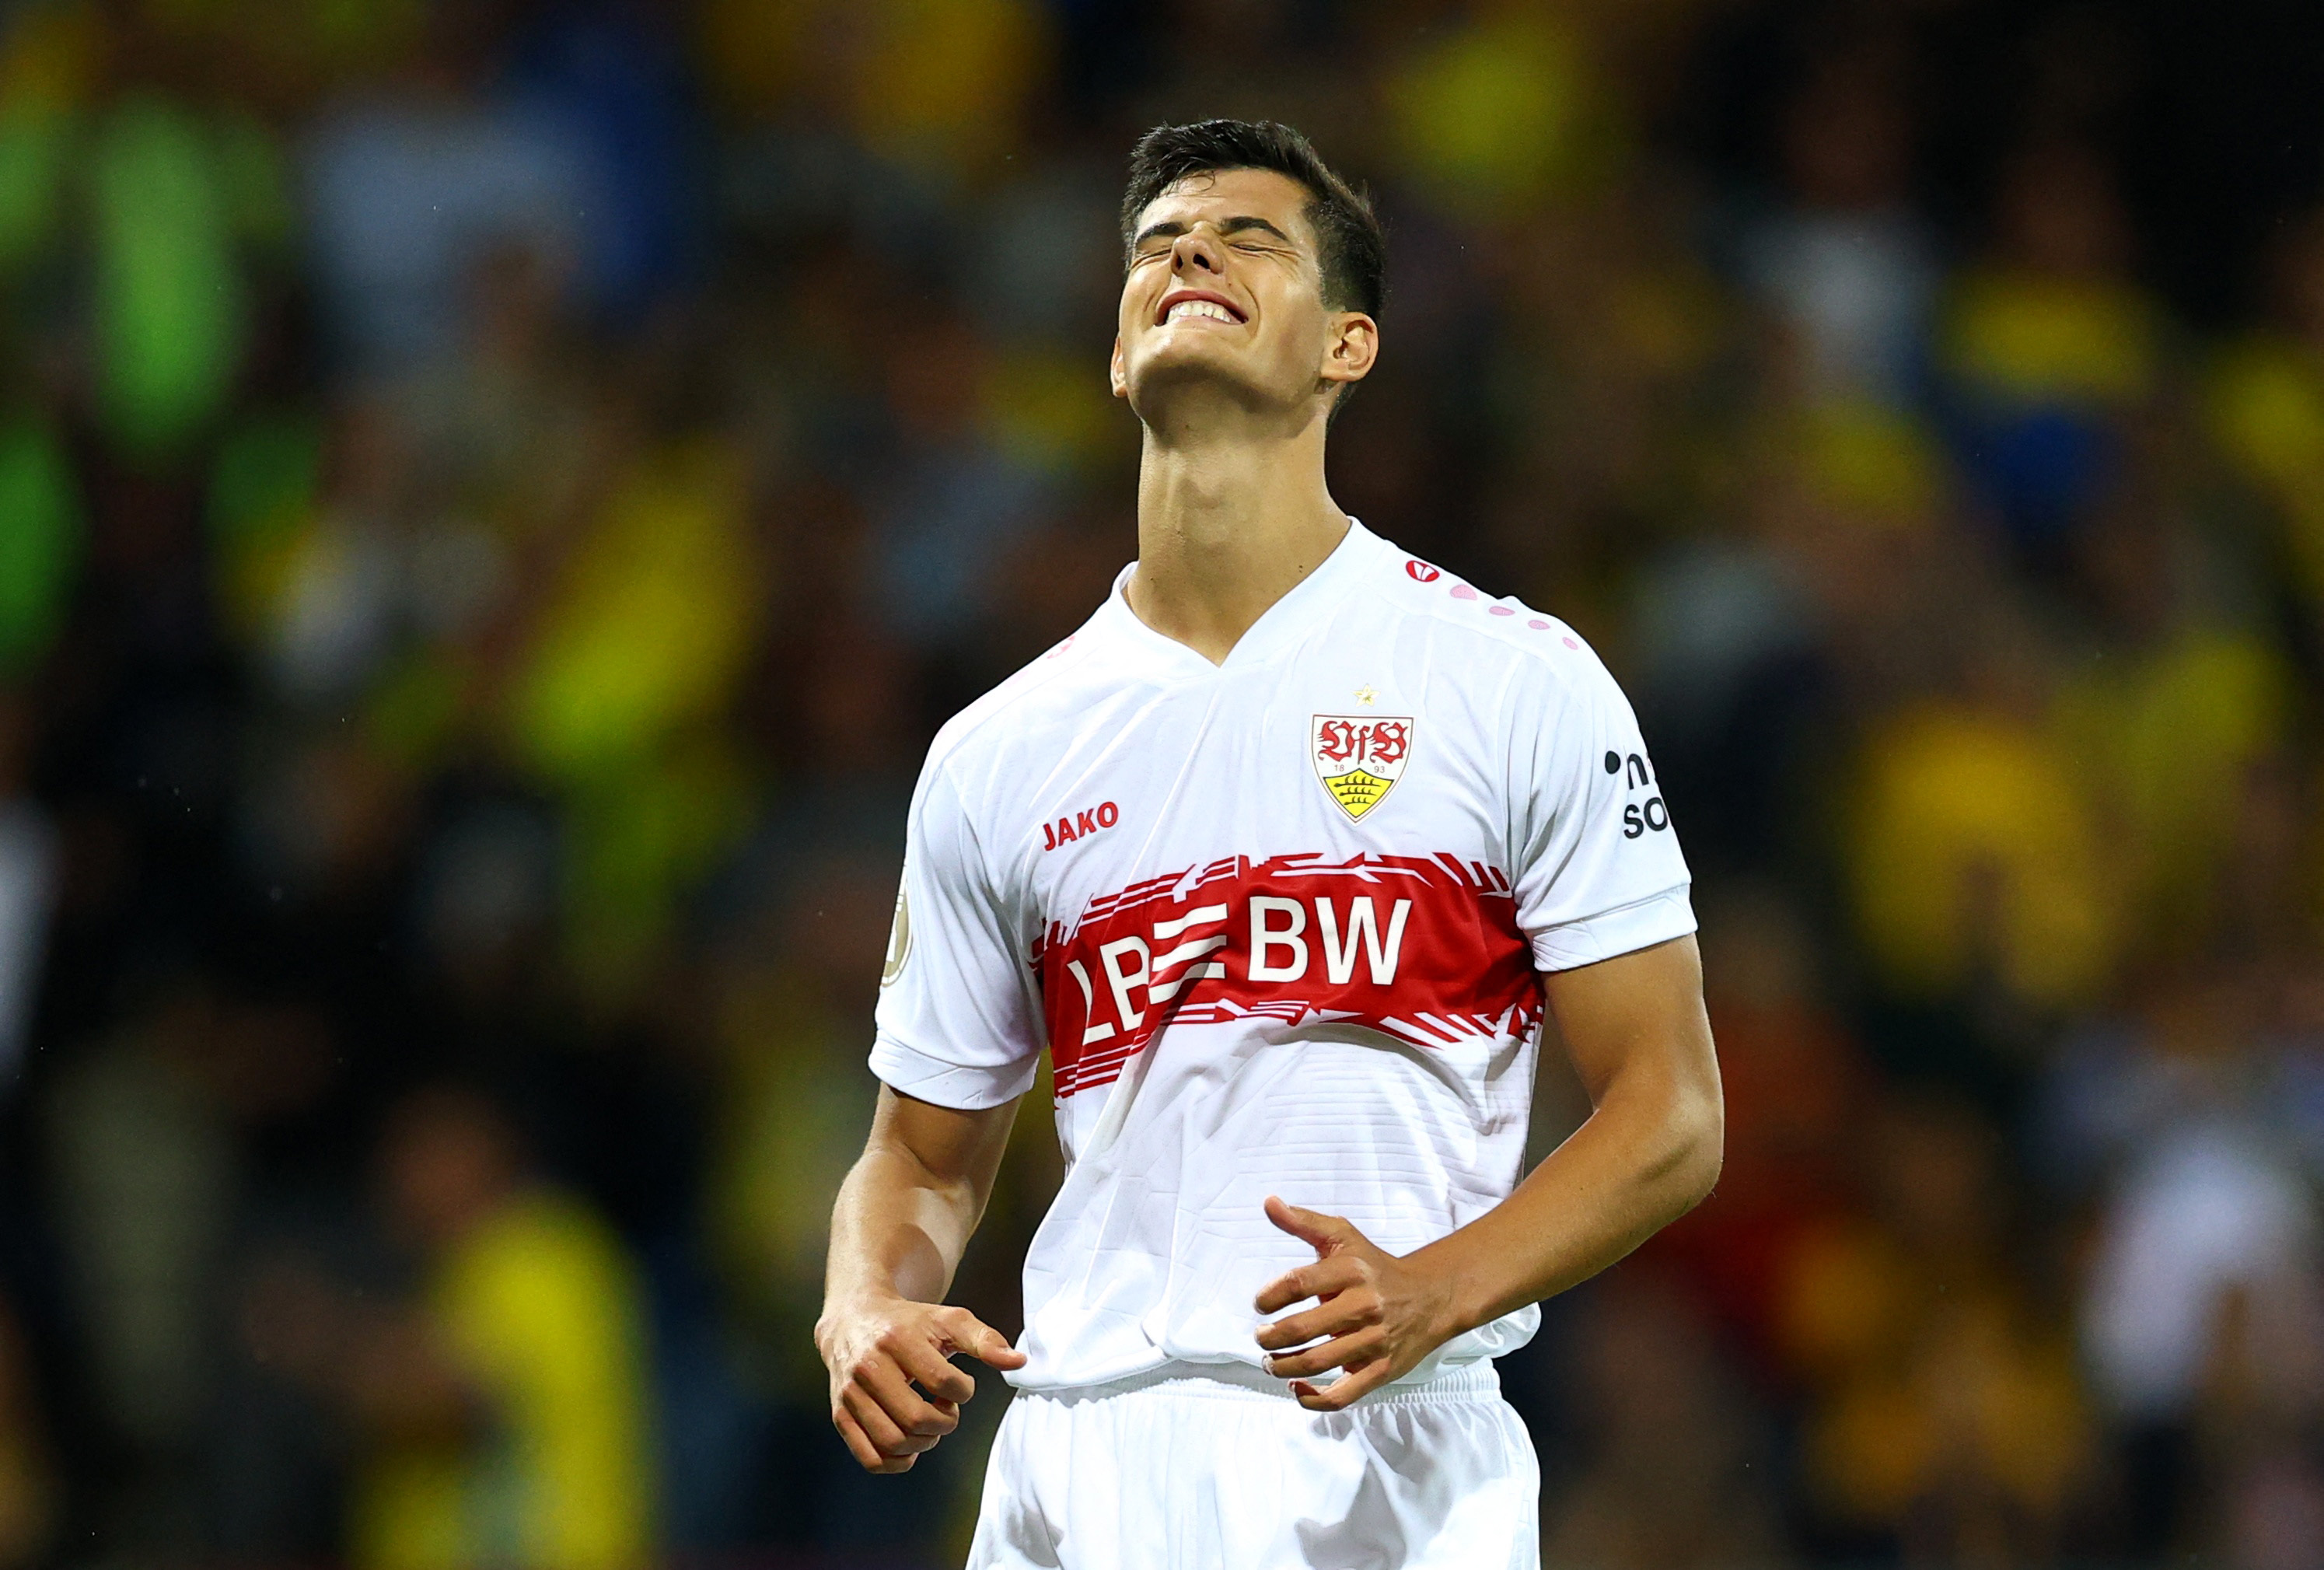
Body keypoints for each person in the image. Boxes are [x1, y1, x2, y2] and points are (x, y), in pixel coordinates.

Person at [816, 119, 1723, 1569]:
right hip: (1074, 1463)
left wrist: (1439, 1289)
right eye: (1161, 242)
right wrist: (862, 1304)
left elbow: (1670, 1110)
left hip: (1382, 1448)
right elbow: (921, 1160)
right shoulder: (995, 753)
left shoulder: (1511, 678)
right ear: (1118, 357)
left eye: (1251, 240)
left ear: (1345, 348)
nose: (1190, 252)